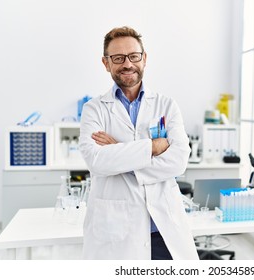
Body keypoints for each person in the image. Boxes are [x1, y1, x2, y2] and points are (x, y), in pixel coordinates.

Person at [79, 26, 198, 260]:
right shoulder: (93, 109)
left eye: (134, 56)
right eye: (118, 58)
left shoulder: (166, 105)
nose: (127, 64)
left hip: (163, 227)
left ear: (144, 58)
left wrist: (118, 152)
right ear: (106, 63)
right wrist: (151, 148)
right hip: (117, 235)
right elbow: (96, 161)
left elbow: (178, 161)